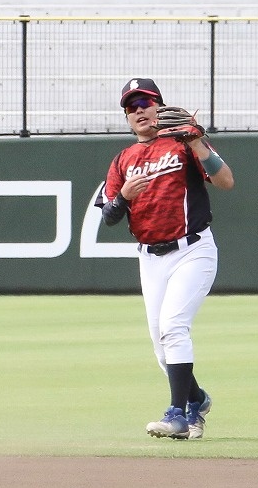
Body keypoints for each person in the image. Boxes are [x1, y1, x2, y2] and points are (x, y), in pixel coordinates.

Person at [96, 78, 234, 439]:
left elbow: (226, 181)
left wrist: (198, 143)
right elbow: (109, 216)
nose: (139, 110)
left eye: (145, 102)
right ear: (127, 117)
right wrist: (123, 197)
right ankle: (197, 400)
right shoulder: (122, 160)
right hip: (151, 258)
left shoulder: (183, 143)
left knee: (173, 328)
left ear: (161, 106)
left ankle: (178, 415)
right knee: (162, 349)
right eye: (131, 106)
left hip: (192, 250)